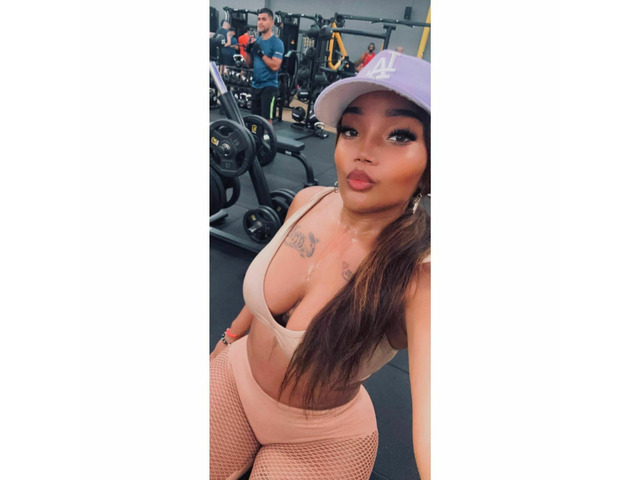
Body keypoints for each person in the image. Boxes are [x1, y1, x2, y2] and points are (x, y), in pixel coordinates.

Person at [210, 49, 431, 480]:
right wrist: (230, 336)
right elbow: (260, 299)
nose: (364, 150)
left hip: (319, 441)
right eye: (351, 130)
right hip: (237, 379)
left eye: (399, 135)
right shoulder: (306, 201)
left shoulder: (418, 277)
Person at [243, 8, 284, 124]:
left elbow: (275, 66)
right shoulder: (257, 41)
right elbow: (249, 64)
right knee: (254, 120)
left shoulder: (277, 43)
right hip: (255, 85)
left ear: (271, 22)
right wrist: (248, 51)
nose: (260, 22)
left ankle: (268, 137)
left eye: (264, 19)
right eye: (259, 19)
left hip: (269, 87)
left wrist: (261, 53)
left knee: (267, 120)